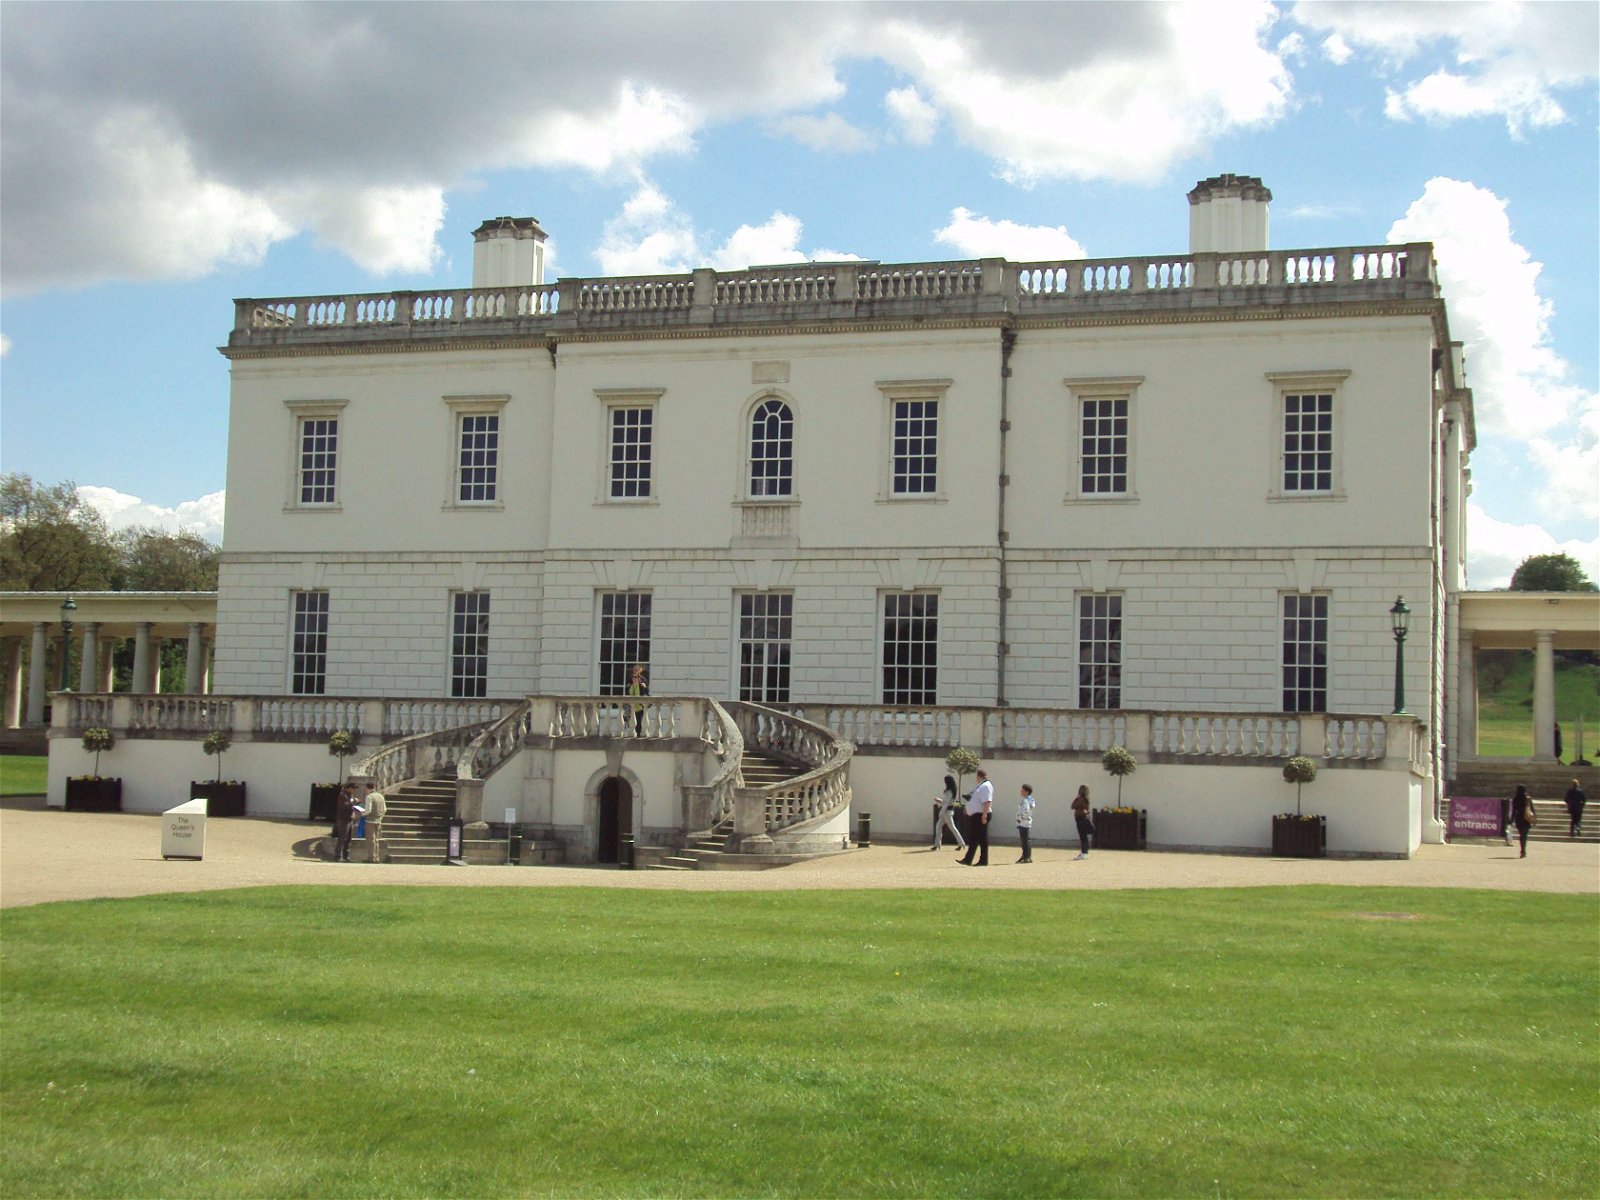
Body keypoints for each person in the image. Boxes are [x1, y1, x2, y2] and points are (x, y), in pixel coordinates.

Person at [958, 770, 993, 866]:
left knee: (975, 837)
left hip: (981, 814)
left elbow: (987, 801)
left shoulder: (985, 786)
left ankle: (969, 859)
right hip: (978, 814)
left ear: (979, 776)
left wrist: (984, 814)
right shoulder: (982, 786)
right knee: (981, 838)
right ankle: (980, 860)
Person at [933, 774, 966, 852]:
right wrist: (940, 801)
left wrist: (941, 812)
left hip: (946, 812)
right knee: (940, 826)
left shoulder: (949, 791)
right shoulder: (952, 790)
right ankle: (937, 844)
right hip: (948, 811)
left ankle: (961, 843)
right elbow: (950, 802)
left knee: (951, 828)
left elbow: (946, 803)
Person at [358, 783, 387, 863]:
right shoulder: (381, 796)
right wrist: (380, 817)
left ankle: (371, 857)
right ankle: (377, 857)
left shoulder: (369, 797)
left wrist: (361, 813)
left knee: (370, 840)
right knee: (376, 840)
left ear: (367, 788)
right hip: (378, 820)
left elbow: (368, 810)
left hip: (370, 820)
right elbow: (384, 809)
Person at [333, 783, 358, 863]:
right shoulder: (343, 795)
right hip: (343, 819)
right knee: (342, 838)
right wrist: (353, 802)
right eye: (353, 788)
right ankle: (338, 856)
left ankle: (345, 855)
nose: (354, 790)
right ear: (349, 788)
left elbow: (350, 806)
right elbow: (344, 806)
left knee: (348, 839)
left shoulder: (350, 795)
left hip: (349, 819)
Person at [1509, 784, 1534, 859]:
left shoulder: (1515, 799)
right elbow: (1531, 809)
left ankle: (1522, 850)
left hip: (1519, 819)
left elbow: (1513, 810)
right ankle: (1523, 850)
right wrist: (1534, 819)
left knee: (1521, 835)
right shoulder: (1527, 798)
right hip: (1526, 818)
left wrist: (1511, 820)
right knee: (1524, 835)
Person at [1070, 784, 1093, 860]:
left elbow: (1073, 806)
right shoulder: (1086, 799)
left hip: (1080, 819)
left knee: (1082, 837)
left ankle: (1083, 853)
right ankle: (1085, 853)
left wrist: (1076, 798)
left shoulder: (1080, 799)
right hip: (1085, 819)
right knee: (1084, 837)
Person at [1015, 784, 1036, 864]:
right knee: (1026, 840)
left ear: (1027, 792)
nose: (1021, 792)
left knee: (1025, 841)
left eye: (1022, 790)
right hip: (1026, 823)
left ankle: (1026, 857)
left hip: (1024, 823)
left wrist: (1020, 819)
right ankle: (1025, 856)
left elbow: (1026, 811)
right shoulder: (1029, 800)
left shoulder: (1026, 801)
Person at [627, 663, 648, 736]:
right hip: (631, 706)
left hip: (640, 705)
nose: (636, 670)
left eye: (638, 669)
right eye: (635, 669)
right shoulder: (630, 679)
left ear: (641, 670)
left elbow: (645, 691)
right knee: (631, 722)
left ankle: (639, 735)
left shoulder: (643, 679)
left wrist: (642, 685)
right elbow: (628, 691)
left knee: (639, 722)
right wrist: (632, 684)